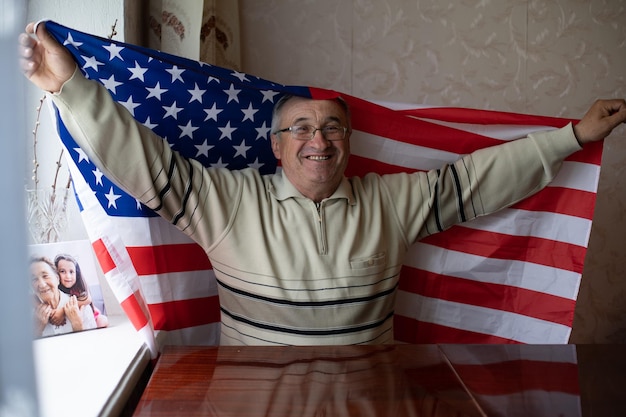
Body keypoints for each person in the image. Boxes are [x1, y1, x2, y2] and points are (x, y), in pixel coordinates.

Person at [19, 22, 626, 346]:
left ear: (349, 144)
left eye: (333, 127)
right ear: (277, 148)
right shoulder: (229, 202)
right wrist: (68, 85)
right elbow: (142, 162)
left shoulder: (393, 203)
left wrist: (574, 134)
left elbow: (482, 178)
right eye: (301, 128)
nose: (320, 139)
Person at [30, 256, 97, 337]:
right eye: (34, 279)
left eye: (45, 276)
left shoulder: (82, 309)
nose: (42, 284)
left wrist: (78, 325)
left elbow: (93, 345)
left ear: (57, 278)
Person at [54, 253, 109, 328]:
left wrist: (62, 310)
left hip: (94, 316)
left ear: (77, 273)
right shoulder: (56, 290)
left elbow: (88, 299)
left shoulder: (79, 286)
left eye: (71, 272)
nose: (68, 276)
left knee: (103, 321)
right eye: (62, 271)